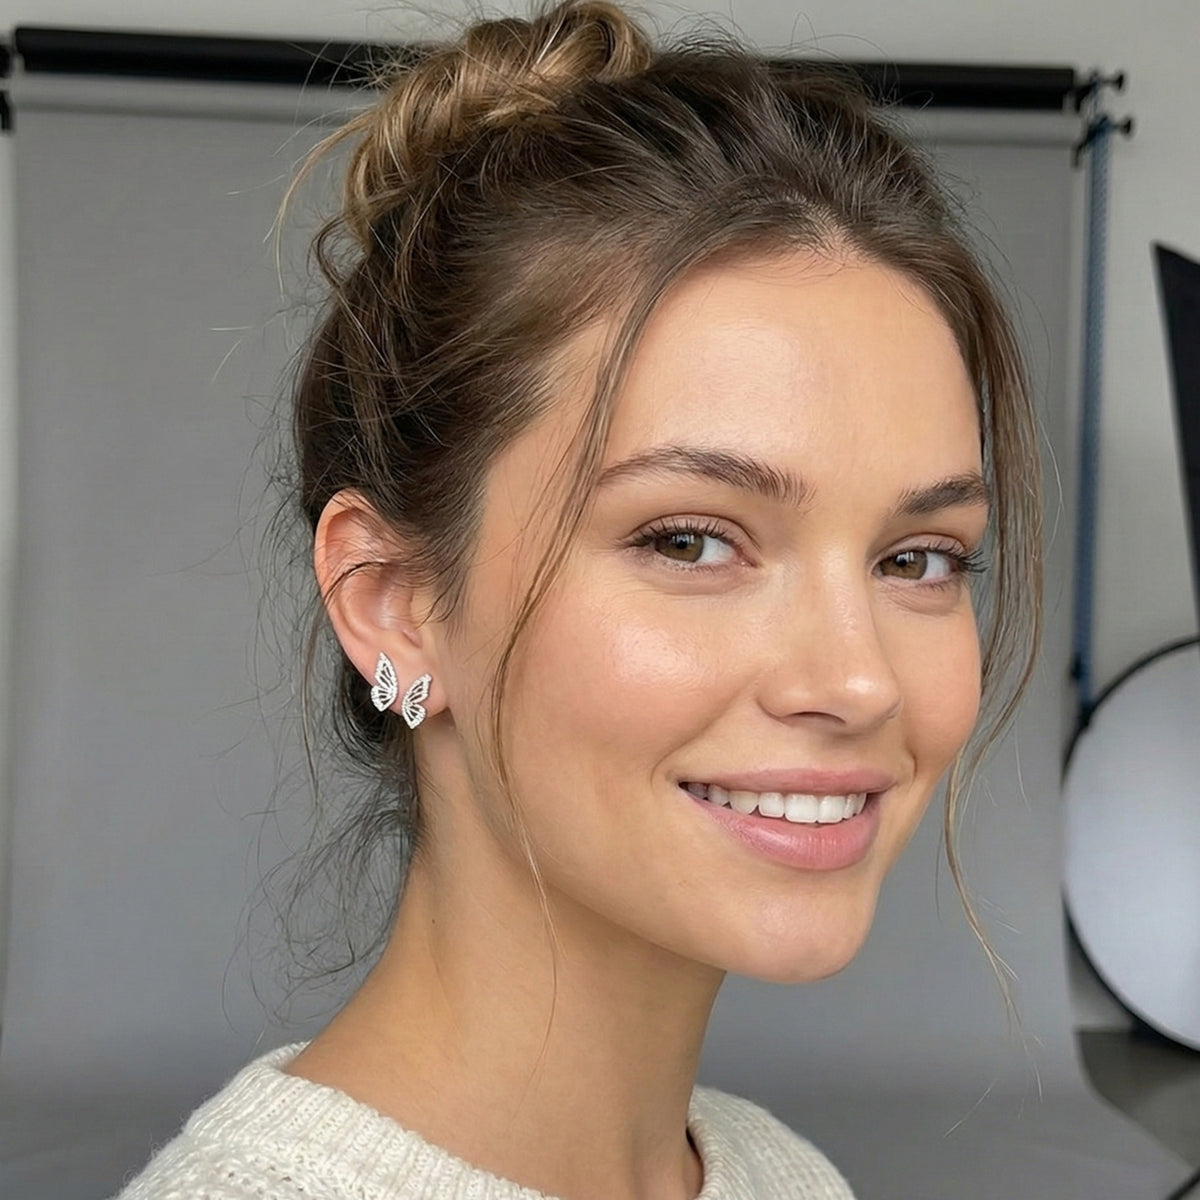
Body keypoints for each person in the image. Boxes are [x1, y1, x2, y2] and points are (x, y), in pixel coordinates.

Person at [115, 1, 1042, 1196]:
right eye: (694, 540)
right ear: (393, 601)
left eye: (918, 558)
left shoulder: (786, 1178)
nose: (857, 680)